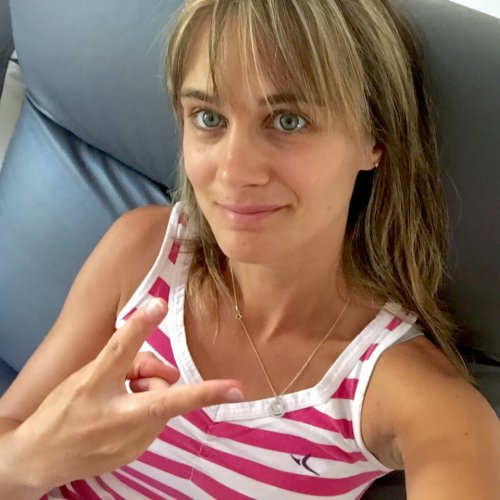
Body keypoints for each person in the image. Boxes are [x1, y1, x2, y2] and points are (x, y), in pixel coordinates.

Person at [0, 0, 498, 498]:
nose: (233, 171)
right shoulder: (143, 253)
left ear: (374, 137)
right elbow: (11, 430)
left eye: (288, 121)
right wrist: (36, 457)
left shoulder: (410, 395)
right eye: (209, 117)